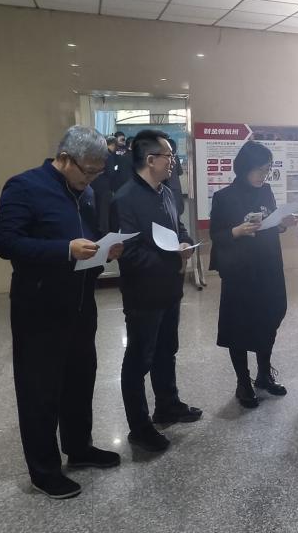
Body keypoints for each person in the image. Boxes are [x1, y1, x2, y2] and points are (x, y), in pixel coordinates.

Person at [0, 125, 123, 499]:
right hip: (39, 308)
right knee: (40, 389)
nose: (93, 179)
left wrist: (103, 251)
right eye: (89, 171)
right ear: (65, 158)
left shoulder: (85, 192)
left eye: (98, 172)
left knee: (80, 380)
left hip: (81, 303)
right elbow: (6, 243)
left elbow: (88, 239)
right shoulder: (24, 187)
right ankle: (44, 471)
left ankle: (79, 448)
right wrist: (65, 250)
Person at [112, 130, 202, 453]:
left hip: (169, 289)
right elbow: (129, 253)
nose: (173, 162)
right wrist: (171, 257)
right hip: (143, 294)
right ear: (151, 160)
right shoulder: (124, 199)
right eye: (169, 156)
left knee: (167, 350)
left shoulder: (166, 192)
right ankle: (139, 427)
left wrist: (185, 243)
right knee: (139, 360)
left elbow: (179, 228)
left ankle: (167, 404)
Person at [210, 141, 297, 408]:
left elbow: (270, 222)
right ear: (245, 167)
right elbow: (217, 235)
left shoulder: (266, 191)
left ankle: (264, 374)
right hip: (240, 270)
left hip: (268, 266)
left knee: (270, 317)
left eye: (267, 169)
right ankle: (243, 382)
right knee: (239, 325)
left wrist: (281, 224)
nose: (263, 175)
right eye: (259, 169)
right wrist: (237, 231)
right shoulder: (224, 197)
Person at [165, 138, 186, 217]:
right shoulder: (176, 157)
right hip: (175, 186)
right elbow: (180, 172)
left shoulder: (162, 158)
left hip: (166, 186)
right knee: (177, 209)